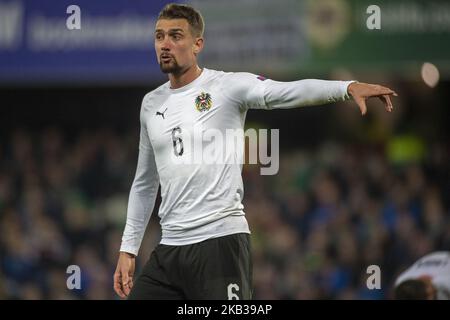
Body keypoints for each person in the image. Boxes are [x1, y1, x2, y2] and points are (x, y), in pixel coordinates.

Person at [113, 3, 397, 300]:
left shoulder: (226, 87)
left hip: (220, 243)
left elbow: (286, 92)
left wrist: (346, 87)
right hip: (169, 248)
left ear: (198, 44)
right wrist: (128, 249)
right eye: (159, 36)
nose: (165, 44)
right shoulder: (151, 103)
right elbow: (145, 182)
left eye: (175, 36)